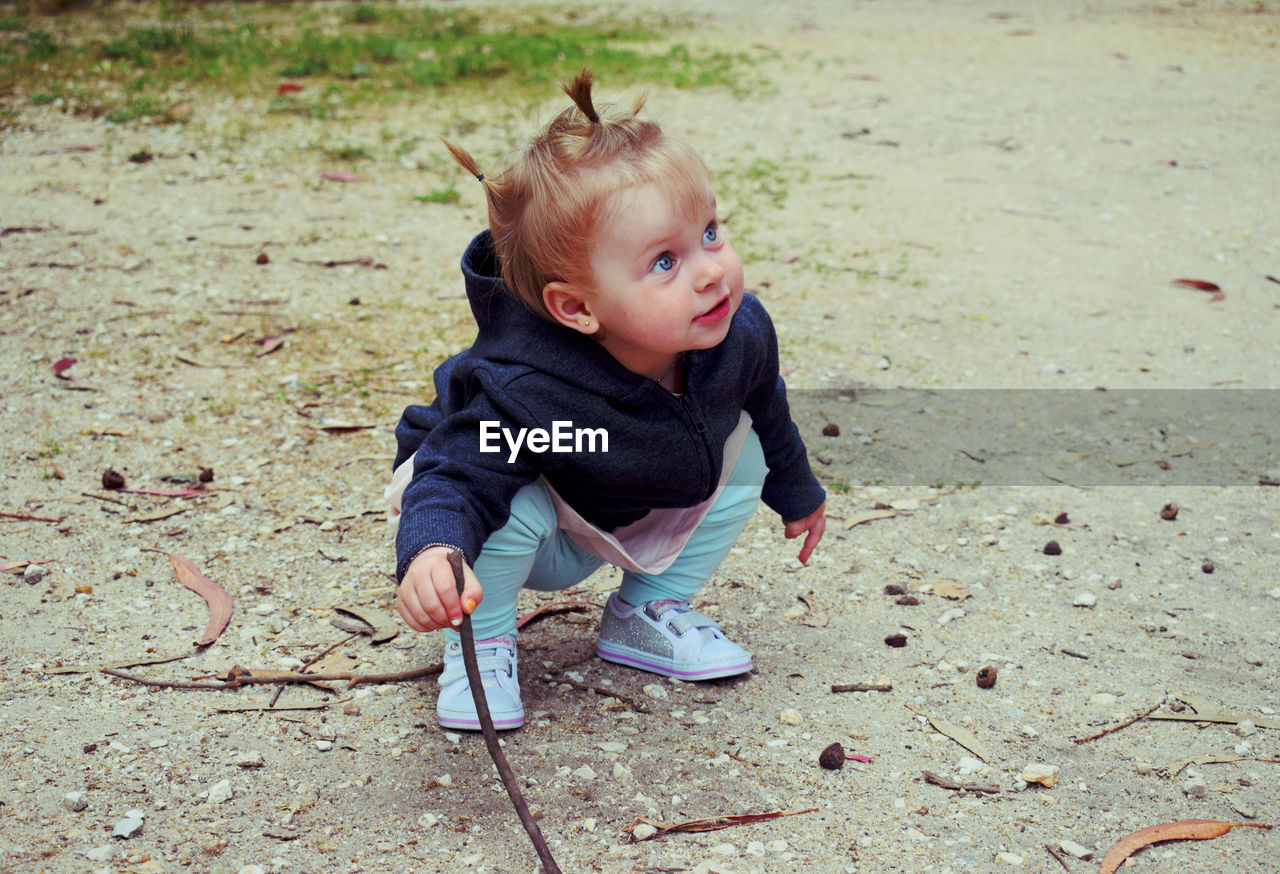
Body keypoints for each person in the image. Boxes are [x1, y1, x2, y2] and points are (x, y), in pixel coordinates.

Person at [388, 70, 826, 731]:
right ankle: (482, 643)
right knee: (512, 491)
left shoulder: (737, 332)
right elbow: (460, 476)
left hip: (610, 497)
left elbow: (765, 399)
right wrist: (432, 552)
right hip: (501, 509)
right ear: (578, 307)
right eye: (664, 262)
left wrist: (797, 491)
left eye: (710, 232)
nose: (710, 271)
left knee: (748, 450)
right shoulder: (530, 393)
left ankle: (644, 612)